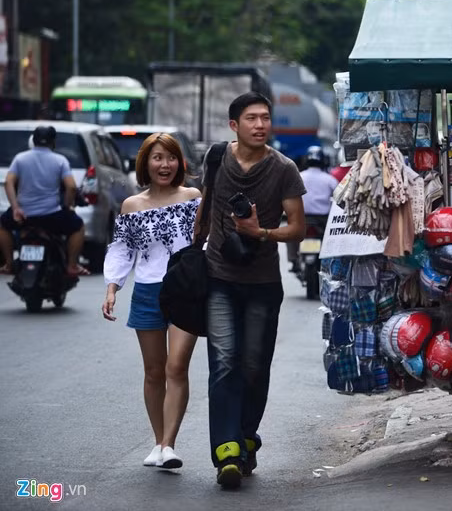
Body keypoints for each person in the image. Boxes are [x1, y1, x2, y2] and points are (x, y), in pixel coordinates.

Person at [200, 92, 305, 489]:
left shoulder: (284, 169)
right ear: (234, 125)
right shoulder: (215, 158)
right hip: (219, 277)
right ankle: (227, 450)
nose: (260, 125)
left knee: (254, 366)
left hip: (263, 282)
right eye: (251, 119)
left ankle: (246, 436)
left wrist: (260, 232)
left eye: (265, 118)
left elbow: (297, 228)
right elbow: (205, 209)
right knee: (224, 361)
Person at [101, 133, 202, 468]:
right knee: (154, 371)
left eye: (171, 158)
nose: (165, 165)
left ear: (180, 163)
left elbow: (205, 242)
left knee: (177, 366)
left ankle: (170, 445)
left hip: (185, 291)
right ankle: (158, 443)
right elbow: (121, 248)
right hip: (147, 291)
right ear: (145, 162)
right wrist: (113, 286)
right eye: (157, 158)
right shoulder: (132, 205)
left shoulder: (192, 198)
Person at [0, 125, 89, 277]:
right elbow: (71, 187)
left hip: (23, 216)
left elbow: (8, 182)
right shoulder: (60, 160)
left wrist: (15, 208)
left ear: (33, 141)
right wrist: (67, 207)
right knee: (78, 227)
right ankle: (72, 265)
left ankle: (8, 264)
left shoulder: (20, 159)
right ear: (53, 142)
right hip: (51, 217)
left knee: (2, 225)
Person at [286, 146, 339, 272]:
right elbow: (339, 197)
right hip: (323, 220)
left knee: (290, 234)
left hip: (301, 218)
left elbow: (288, 196)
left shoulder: (298, 176)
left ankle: (293, 260)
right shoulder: (329, 179)